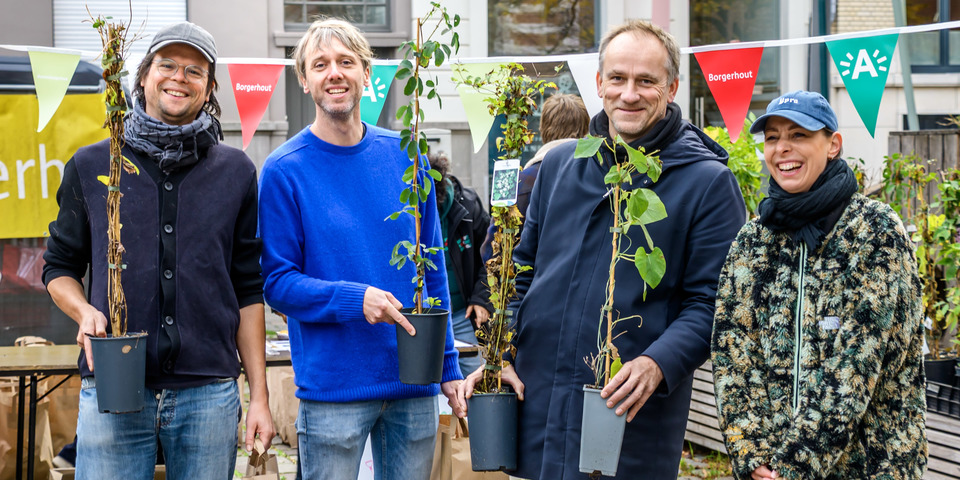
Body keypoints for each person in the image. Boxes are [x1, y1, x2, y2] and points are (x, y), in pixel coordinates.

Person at [458, 20, 746, 479]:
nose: (629, 94)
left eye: (646, 81)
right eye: (617, 78)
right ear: (599, 83)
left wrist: (658, 362)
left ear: (671, 88)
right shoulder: (559, 165)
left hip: (629, 414)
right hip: (539, 408)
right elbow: (520, 276)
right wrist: (501, 358)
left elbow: (713, 302)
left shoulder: (707, 183)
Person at [42, 21, 274, 478]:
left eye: (194, 70)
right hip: (113, 385)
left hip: (208, 392)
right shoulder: (92, 165)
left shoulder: (236, 172)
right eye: (167, 64)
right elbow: (59, 267)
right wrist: (83, 312)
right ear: (144, 75)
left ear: (208, 89)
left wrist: (260, 398)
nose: (178, 78)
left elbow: (248, 288)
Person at [257, 18, 463, 479]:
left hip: (412, 381)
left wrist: (447, 364)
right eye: (321, 64)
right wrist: (356, 299)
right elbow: (277, 284)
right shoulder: (283, 170)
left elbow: (433, 267)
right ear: (305, 80)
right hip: (335, 387)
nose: (335, 73)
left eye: (346, 62)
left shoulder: (407, 155)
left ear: (367, 75)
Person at [711, 90, 927, 480]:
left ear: (832, 145)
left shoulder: (874, 231)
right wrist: (752, 452)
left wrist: (792, 467)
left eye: (798, 135)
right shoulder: (755, 238)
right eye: (773, 137)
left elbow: (855, 366)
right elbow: (733, 350)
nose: (782, 149)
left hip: (871, 467)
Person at [479, 93, 589, 263]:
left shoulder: (510, 181)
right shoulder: (596, 178)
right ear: (584, 131)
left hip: (524, 286)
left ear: (542, 129)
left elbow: (491, 253)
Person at [430, 151, 492, 376]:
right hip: (423, 317)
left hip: (460, 314)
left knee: (476, 376)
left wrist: (481, 297)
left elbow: (492, 256)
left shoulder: (468, 206)